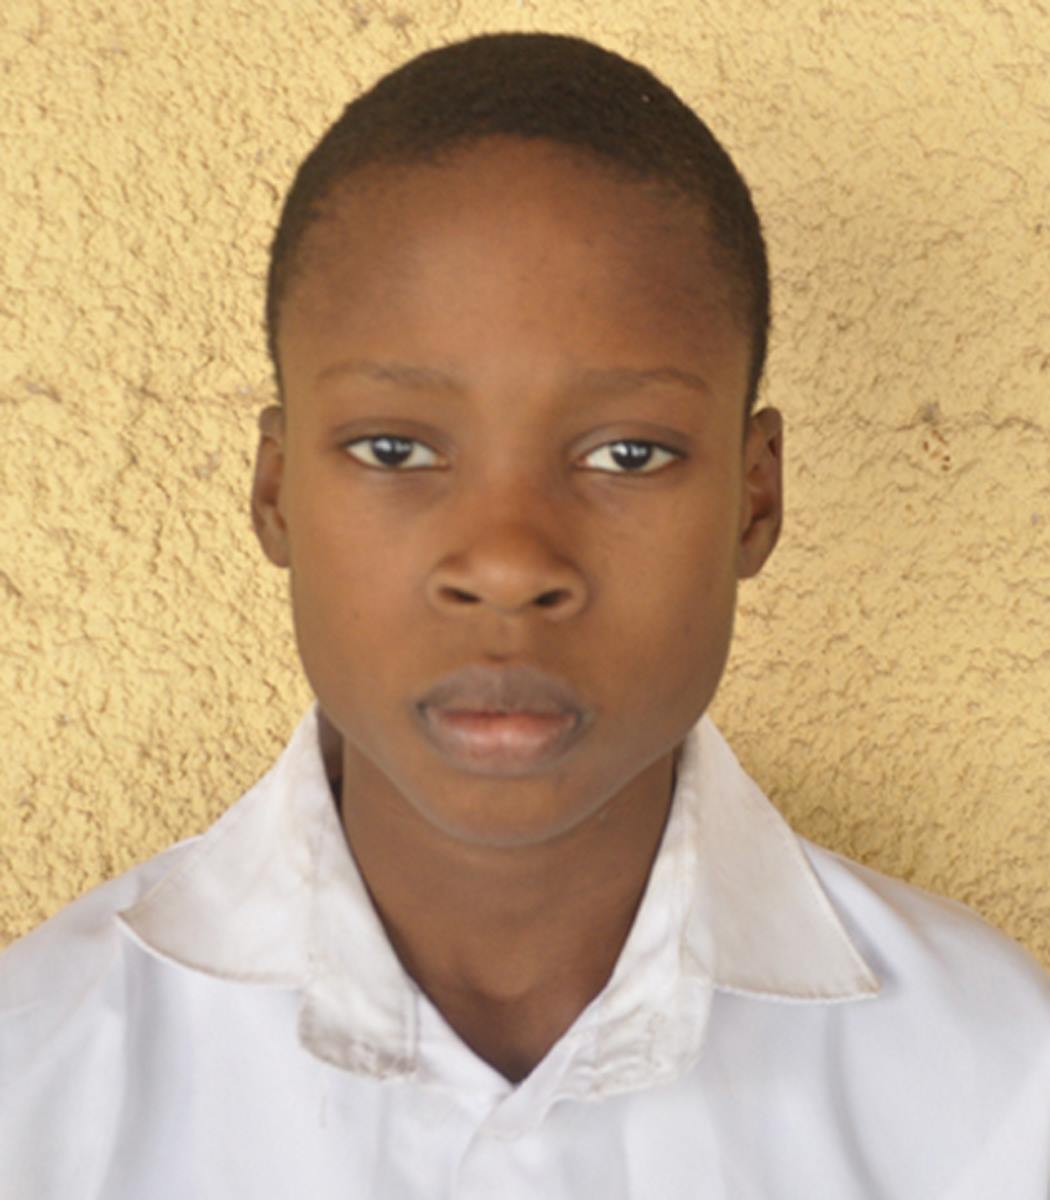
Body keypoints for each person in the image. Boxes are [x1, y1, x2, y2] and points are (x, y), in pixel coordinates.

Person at [2, 31, 1048, 1200]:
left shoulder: (999, 1088)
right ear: (275, 492)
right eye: (394, 449)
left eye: (628, 453)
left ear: (755, 501)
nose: (507, 565)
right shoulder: (37, 1087)